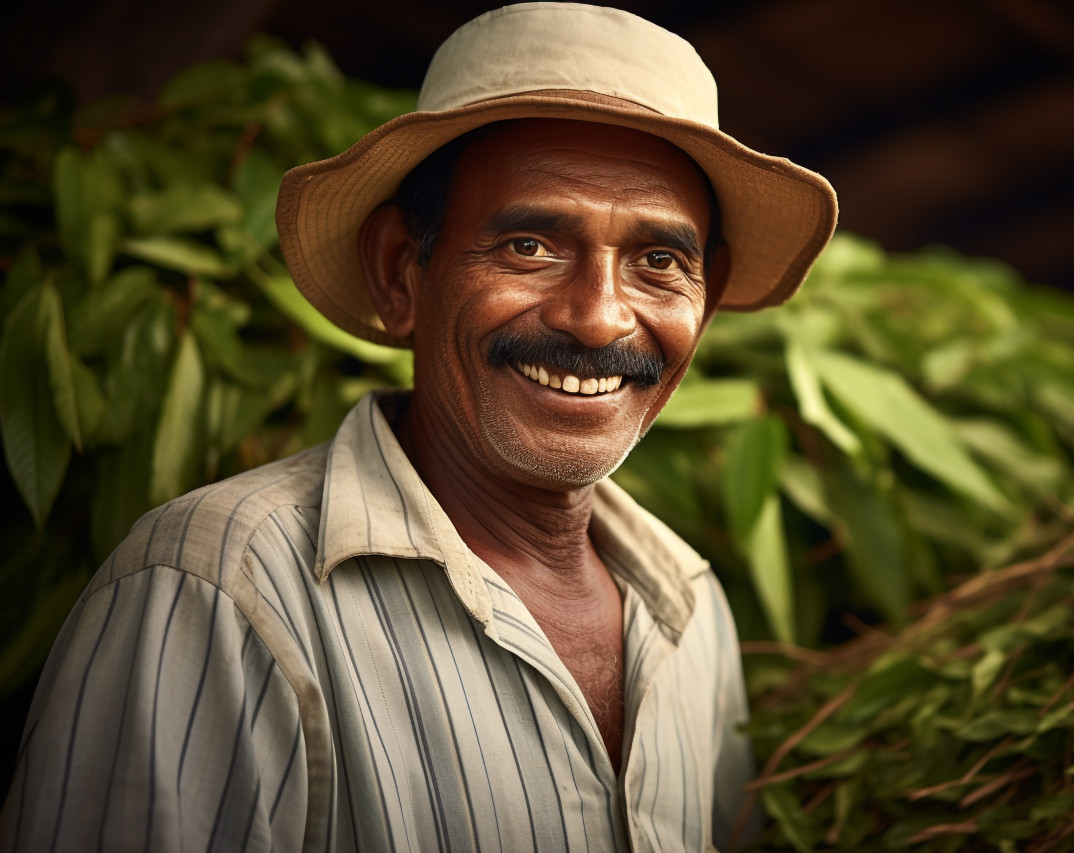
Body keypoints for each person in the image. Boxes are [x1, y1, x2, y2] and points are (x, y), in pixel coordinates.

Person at [0, 4, 836, 851]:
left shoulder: (690, 610)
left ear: (706, 300)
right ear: (401, 271)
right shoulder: (220, 591)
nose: (598, 318)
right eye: (529, 246)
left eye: (659, 261)